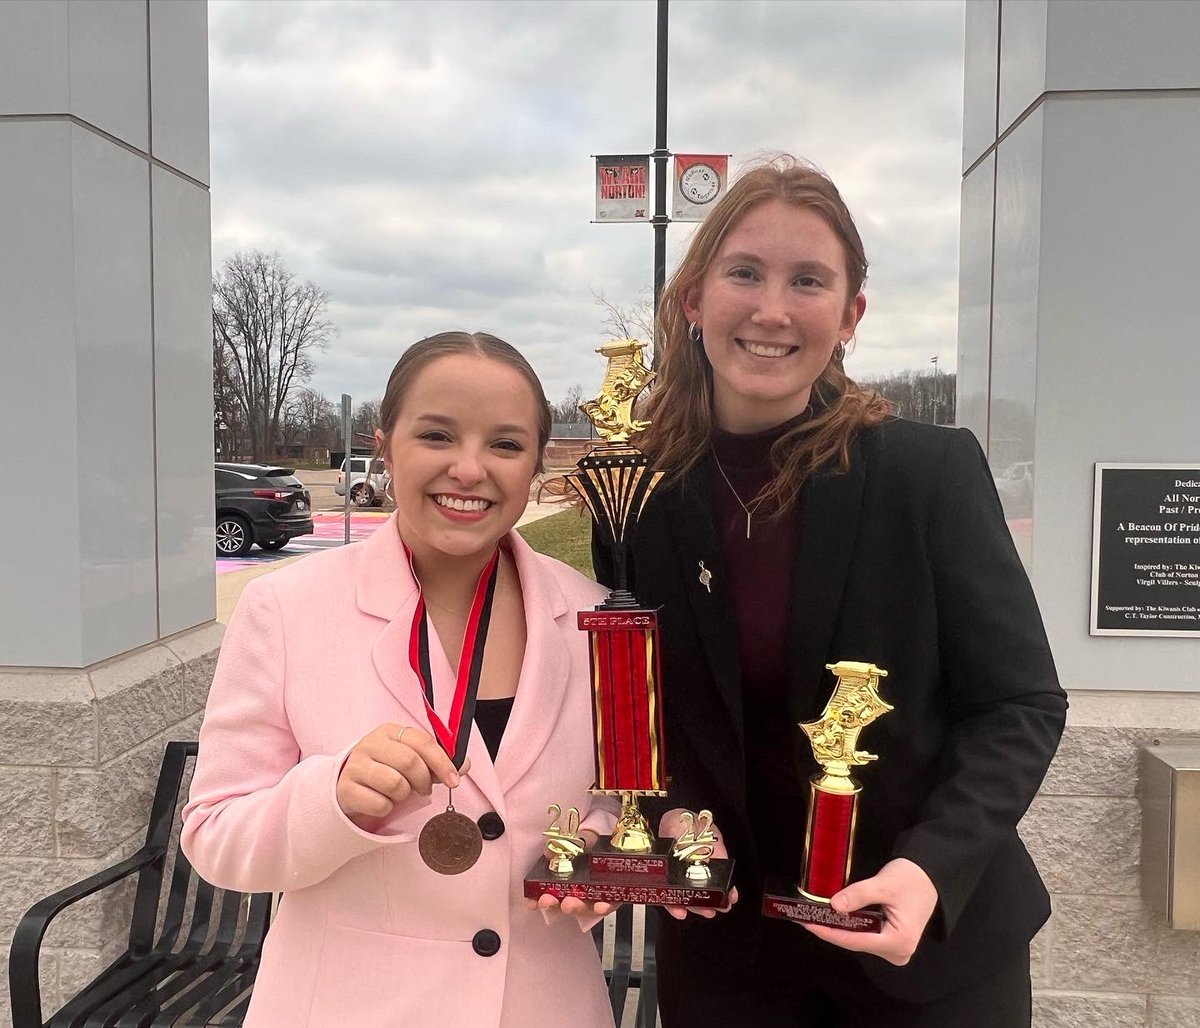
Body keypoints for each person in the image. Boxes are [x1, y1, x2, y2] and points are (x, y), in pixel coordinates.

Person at [592, 157, 1066, 1027]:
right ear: (694, 300)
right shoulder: (642, 496)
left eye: (808, 281)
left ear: (849, 316)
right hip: (729, 960)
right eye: (745, 272)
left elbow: (1020, 705)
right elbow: (645, 711)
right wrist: (666, 824)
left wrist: (930, 871)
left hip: (923, 956)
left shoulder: (928, 475)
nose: (772, 309)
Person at [182, 332, 618, 1028]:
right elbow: (214, 835)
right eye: (437, 435)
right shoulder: (287, 610)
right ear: (385, 446)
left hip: (543, 1003)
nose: (469, 469)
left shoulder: (596, 618)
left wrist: (599, 850)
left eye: (505, 445)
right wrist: (333, 798)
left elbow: (621, 802)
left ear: (538, 464)